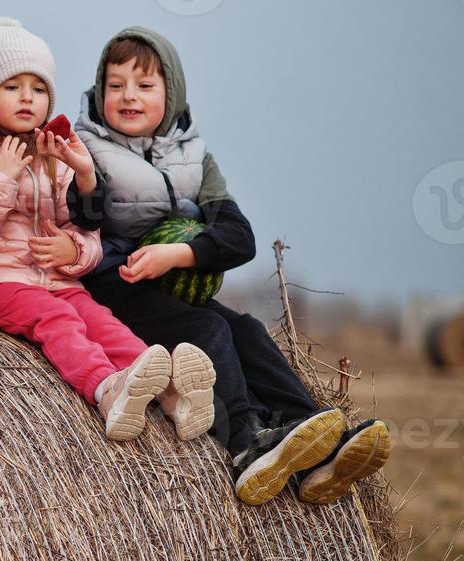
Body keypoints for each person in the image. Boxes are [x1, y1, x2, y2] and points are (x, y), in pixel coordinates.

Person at [74, 27, 391, 504]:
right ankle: (245, 443)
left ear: (171, 91)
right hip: (113, 286)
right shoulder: (87, 148)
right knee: (208, 329)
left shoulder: (195, 159)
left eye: (144, 85)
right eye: (115, 85)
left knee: (246, 328)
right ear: (100, 92)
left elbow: (239, 237)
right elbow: (80, 214)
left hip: (171, 282)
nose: (128, 96)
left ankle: (313, 438)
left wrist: (179, 254)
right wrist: (82, 182)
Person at [0, 18, 217, 442]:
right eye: (12, 87)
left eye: (38, 90)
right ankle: (107, 389)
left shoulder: (54, 155)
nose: (27, 98)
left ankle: (169, 391)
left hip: (56, 279)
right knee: (56, 318)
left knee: (100, 319)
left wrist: (73, 250)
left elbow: (87, 232)